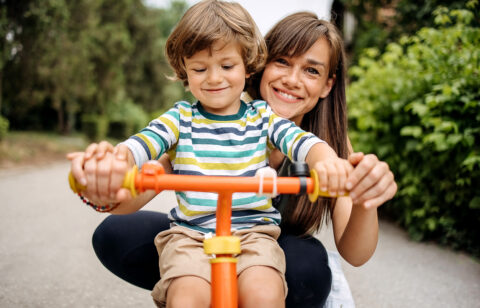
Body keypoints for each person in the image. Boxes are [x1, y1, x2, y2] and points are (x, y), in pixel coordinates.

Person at [68, 9, 397, 308]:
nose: (292, 79)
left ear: (327, 85)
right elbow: (142, 155)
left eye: (311, 70)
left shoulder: (281, 127)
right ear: (261, 64)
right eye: (282, 61)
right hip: (194, 232)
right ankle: (193, 282)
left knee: (297, 274)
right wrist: (108, 172)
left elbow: (316, 154)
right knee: (143, 255)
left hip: (258, 237)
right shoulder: (193, 120)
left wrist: (353, 186)